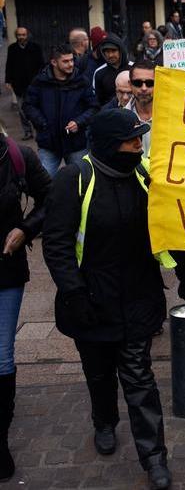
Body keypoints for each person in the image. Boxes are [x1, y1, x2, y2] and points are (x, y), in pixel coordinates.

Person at [42, 108, 172, 490]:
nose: (138, 145)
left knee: (139, 378)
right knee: (99, 374)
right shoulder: (74, 178)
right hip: (92, 302)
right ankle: (104, 422)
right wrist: (75, 292)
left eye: (139, 139)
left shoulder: (142, 175)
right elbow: (57, 243)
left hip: (136, 298)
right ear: (107, 144)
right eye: (131, 140)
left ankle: (154, 457)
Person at [0, 132, 51, 482]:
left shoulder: (17, 156)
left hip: (5, 270)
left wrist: (25, 228)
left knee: (2, 355)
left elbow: (50, 198)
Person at [23, 44, 98, 178]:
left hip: (76, 144)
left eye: (72, 60)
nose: (70, 64)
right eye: (65, 61)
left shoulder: (81, 81)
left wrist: (79, 122)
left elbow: (93, 107)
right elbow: (28, 106)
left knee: (82, 181)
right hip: (49, 143)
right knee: (43, 181)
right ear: (53, 62)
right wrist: (42, 124)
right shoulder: (40, 82)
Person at [5, 27, 45, 141]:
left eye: (23, 35)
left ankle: (39, 130)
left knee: (37, 109)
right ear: (16, 36)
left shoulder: (35, 48)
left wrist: (41, 79)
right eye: (19, 35)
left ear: (27, 35)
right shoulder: (12, 48)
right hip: (18, 85)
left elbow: (41, 64)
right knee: (22, 110)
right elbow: (9, 65)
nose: (21, 37)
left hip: (34, 84)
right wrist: (8, 80)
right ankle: (27, 132)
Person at [92, 33, 132, 106]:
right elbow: (97, 100)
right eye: (107, 52)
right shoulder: (99, 73)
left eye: (113, 51)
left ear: (120, 51)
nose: (110, 55)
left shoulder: (134, 68)